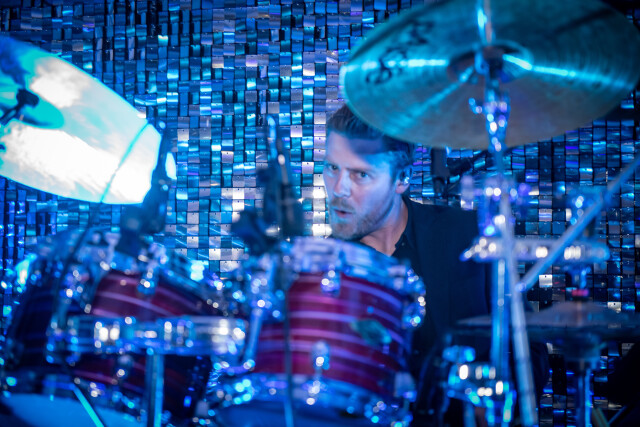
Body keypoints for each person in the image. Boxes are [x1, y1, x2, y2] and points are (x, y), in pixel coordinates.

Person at [323, 104, 549, 425]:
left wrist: (495, 401)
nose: (338, 189)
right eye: (332, 168)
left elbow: (531, 350)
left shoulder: (469, 235)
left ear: (402, 179)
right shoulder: (319, 271)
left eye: (360, 174)